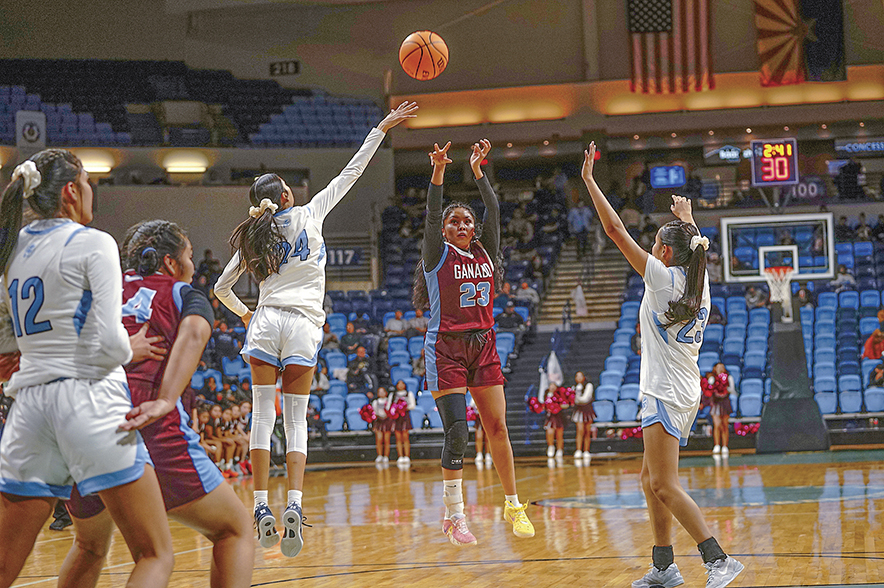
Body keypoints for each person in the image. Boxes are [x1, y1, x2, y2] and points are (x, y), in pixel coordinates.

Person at [213, 101, 417, 558]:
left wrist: (247, 316)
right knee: (296, 420)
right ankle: (295, 503)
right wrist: (380, 128)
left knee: (262, 418)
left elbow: (220, 287)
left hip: (264, 323)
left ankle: (261, 505)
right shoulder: (311, 213)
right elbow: (351, 172)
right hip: (303, 324)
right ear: (286, 197)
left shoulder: (253, 236)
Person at [0, 150, 174, 586]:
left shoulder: (9, 249)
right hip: (89, 400)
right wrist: (129, 349)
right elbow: (110, 340)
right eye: (89, 182)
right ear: (71, 191)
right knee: (154, 553)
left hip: (28, 409)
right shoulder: (94, 241)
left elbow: (6, 344)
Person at [581, 142, 744, 588]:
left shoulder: (661, 279)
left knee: (666, 485)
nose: (651, 249)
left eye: (656, 244)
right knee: (650, 479)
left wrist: (591, 182)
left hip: (666, 390)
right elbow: (697, 250)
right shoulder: (699, 282)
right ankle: (663, 567)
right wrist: (689, 222)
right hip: (682, 388)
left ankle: (718, 560)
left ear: (666, 255)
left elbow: (615, 230)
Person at [59, 219, 254, 588]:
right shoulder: (180, 292)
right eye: (190, 256)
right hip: (146, 427)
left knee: (88, 546)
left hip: (76, 426)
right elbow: (197, 330)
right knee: (233, 530)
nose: (193, 266)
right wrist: (166, 399)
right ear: (170, 262)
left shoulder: (96, 291)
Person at [413, 139, 535, 546]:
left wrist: (479, 171)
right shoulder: (437, 253)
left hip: (483, 345)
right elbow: (432, 214)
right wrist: (439, 171)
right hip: (445, 346)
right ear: (446, 231)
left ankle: (513, 503)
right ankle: (454, 515)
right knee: (458, 433)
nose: (462, 226)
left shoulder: (486, 251)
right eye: (455, 223)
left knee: (497, 426)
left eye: (466, 222)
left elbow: (495, 211)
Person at [702, 364, 734, 457]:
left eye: (721, 367)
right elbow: (708, 389)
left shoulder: (729, 377)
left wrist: (724, 388)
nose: (720, 369)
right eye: (718, 367)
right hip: (716, 403)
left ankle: (725, 446)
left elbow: (732, 390)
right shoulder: (712, 378)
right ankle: (716, 445)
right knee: (717, 425)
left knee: (724, 425)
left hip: (725, 402)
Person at [539, 381, 567, 464]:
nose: (552, 387)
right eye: (551, 386)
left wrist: (558, 406)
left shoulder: (560, 396)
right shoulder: (546, 395)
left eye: (554, 386)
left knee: (559, 434)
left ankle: (559, 450)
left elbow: (565, 404)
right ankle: (551, 447)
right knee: (550, 432)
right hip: (550, 417)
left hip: (559, 416)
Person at [571, 372, 595, 465]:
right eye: (577, 376)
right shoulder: (574, 387)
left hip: (587, 411)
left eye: (581, 376)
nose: (579, 378)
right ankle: (578, 450)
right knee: (579, 431)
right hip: (578, 411)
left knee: (587, 431)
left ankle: (586, 450)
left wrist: (576, 397)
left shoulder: (589, 386)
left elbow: (585, 399)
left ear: (584, 377)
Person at [390, 380, 415, 464]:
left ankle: (407, 456)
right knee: (398, 438)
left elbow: (413, 405)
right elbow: (389, 406)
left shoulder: (409, 394)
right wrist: (395, 409)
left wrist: (403, 407)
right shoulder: (393, 395)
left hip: (405, 416)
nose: (400, 385)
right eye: (398, 383)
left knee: (405, 437)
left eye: (402, 383)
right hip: (396, 417)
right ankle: (400, 456)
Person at [372, 386, 393, 464]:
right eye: (379, 392)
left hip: (387, 421)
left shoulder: (389, 402)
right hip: (379, 421)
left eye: (382, 391)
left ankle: (386, 456)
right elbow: (374, 412)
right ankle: (380, 455)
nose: (381, 393)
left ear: (386, 393)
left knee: (387, 440)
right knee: (379, 440)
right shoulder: (375, 402)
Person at [469, 394, 492, 467]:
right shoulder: (475, 395)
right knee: (479, 436)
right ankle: (479, 454)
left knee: (488, 436)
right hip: (478, 418)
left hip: (488, 416)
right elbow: (471, 405)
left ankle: (488, 454)